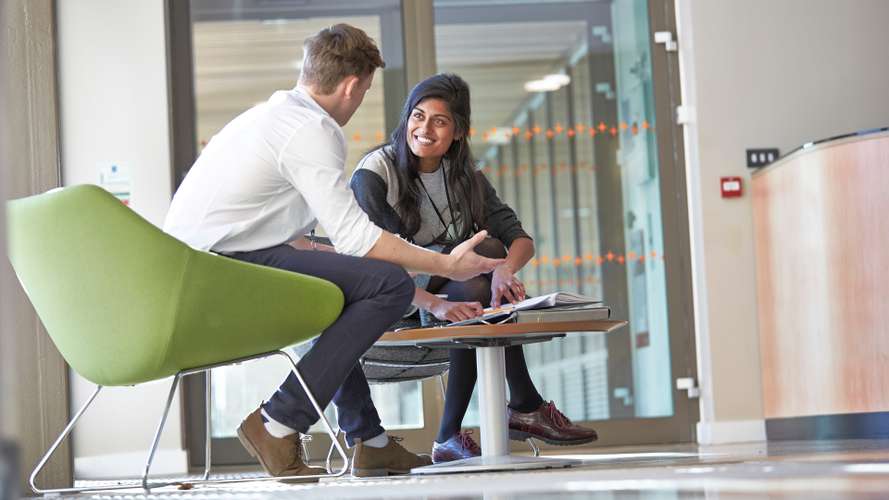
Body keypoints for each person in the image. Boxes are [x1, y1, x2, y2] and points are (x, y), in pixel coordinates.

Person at [163, 26, 503, 480]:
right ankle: (278, 423)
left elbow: (306, 243)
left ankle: (370, 440)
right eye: (363, 92)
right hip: (217, 273)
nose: (358, 100)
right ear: (351, 86)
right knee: (387, 283)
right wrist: (446, 265)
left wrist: (435, 301)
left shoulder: (271, 118)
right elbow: (357, 241)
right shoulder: (312, 130)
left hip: (197, 269)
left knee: (342, 288)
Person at [350, 73, 599, 464]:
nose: (425, 129)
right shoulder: (375, 174)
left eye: (440, 121)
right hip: (393, 296)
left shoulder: (464, 175)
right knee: (479, 270)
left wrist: (506, 271)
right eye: (418, 116)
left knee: (488, 262)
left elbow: (521, 240)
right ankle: (521, 405)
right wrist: (433, 303)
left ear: (459, 132)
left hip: (456, 296)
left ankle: (457, 432)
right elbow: (376, 261)